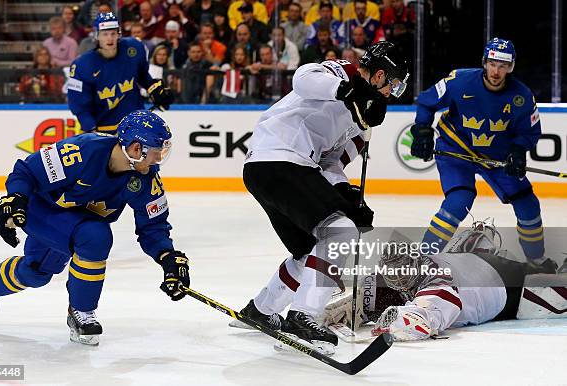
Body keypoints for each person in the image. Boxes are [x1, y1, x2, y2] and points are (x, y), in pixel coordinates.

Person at [0, 110, 191, 346]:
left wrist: (167, 257)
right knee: (95, 237)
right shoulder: (83, 151)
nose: (158, 160)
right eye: (156, 152)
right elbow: (27, 171)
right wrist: (15, 198)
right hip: (42, 210)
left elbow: (154, 226)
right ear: (136, 149)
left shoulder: (146, 179)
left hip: (73, 222)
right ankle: (82, 312)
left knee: (37, 272)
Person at [234, 42, 409, 354]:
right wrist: (347, 91)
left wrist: (346, 193)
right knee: (339, 233)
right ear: (380, 75)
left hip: (274, 168)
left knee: (308, 252)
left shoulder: (363, 120)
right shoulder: (344, 73)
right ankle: (303, 318)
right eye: (393, 85)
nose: (392, 94)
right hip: (281, 158)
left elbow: (331, 163)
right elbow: (302, 78)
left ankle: (260, 310)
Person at [410, 38, 549, 267]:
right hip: (456, 148)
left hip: (496, 158)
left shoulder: (522, 97)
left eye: (503, 65)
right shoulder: (459, 80)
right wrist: (423, 130)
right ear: (485, 62)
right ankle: (422, 260)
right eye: (493, 64)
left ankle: (536, 260)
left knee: (528, 205)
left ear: (511, 67)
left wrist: (518, 150)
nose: (496, 71)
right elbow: (427, 101)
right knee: (459, 200)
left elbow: (530, 132)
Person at [321, 222, 563, 342]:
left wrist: (393, 321)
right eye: (392, 277)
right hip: (475, 263)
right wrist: (349, 302)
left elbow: (421, 322)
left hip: (506, 289)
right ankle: (542, 267)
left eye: (404, 276)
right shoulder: (399, 268)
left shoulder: (438, 283)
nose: (400, 282)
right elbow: (367, 288)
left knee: (556, 292)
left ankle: (551, 272)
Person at [67, 12, 174, 134]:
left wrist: (153, 89)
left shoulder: (134, 48)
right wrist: (91, 131)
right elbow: (79, 104)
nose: (110, 38)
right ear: (97, 35)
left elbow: (142, 74)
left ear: (119, 34)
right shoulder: (82, 65)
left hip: (134, 123)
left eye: (113, 33)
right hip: (102, 128)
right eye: (105, 34)